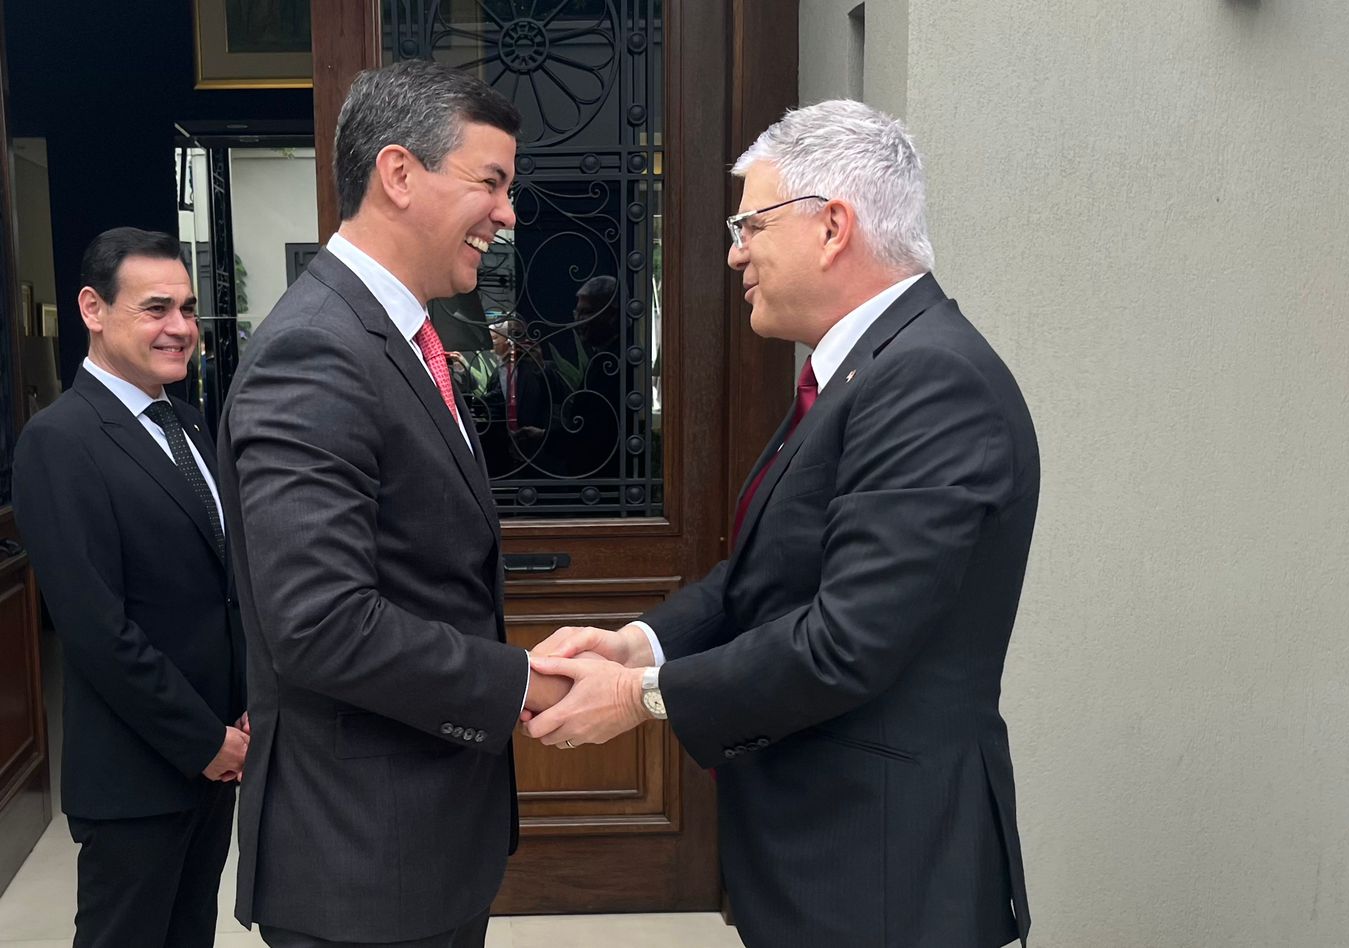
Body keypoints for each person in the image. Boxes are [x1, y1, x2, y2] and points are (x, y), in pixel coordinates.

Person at [526, 100, 1038, 948]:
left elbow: (847, 641)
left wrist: (641, 698)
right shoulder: (866, 372)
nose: (735, 252)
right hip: (833, 862)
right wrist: (641, 644)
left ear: (832, 226)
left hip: (884, 876)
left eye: (750, 223)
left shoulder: (931, 384)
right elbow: (762, 579)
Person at [216, 59, 568, 947]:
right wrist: (517, 681)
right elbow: (322, 623)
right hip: (364, 861)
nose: (508, 213)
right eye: (491, 181)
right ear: (400, 174)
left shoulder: (398, 335)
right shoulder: (315, 352)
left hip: (416, 846)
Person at [14, 227, 247, 947]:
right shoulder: (60, 440)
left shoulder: (188, 423)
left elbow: (219, 588)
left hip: (214, 762)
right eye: (154, 309)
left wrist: (238, 720)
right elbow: (95, 628)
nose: (180, 328)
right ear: (92, 308)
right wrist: (203, 738)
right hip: (137, 774)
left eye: (185, 308)